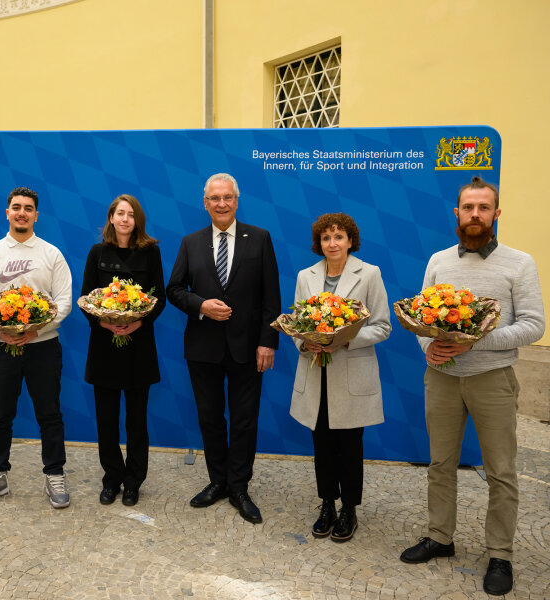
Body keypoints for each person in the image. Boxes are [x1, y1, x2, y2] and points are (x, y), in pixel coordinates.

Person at [400, 177, 545, 596]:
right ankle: (440, 538)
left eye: (484, 208)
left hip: (493, 380)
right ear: (457, 213)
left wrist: (474, 341)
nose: (475, 215)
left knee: (500, 471)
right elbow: (420, 317)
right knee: (440, 464)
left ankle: (500, 553)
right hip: (442, 380)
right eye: (468, 207)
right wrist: (429, 347)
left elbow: (534, 325)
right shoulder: (439, 261)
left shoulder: (520, 263)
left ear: (496, 214)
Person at [166, 173, 280, 524]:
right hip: (203, 348)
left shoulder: (259, 239)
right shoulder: (190, 242)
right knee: (210, 418)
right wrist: (201, 305)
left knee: (245, 421)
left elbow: (270, 296)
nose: (221, 203)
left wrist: (268, 341)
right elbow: (174, 289)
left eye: (227, 197)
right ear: (205, 203)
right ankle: (217, 482)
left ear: (236, 199)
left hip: (249, 348)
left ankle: (239, 487)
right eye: (214, 198)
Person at [0, 186, 72, 508]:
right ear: (8, 212)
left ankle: (54, 474)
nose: (22, 212)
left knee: (49, 414)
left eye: (28, 208)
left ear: (36, 215)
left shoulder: (51, 254)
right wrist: (0, 333)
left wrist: (37, 327)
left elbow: (64, 301)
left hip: (43, 347)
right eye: (17, 207)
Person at [290, 213, 391, 542]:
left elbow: (382, 326)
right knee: (322, 445)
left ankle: (349, 509)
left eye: (338, 237)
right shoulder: (306, 276)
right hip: (316, 373)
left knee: (349, 446)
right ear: (318, 243)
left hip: (351, 374)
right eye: (325, 238)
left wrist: (345, 339)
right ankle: (327, 505)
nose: (332, 243)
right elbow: (295, 321)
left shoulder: (369, 274)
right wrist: (304, 340)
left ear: (350, 241)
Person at [81, 194, 165, 507]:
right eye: (120, 213)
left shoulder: (151, 252)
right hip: (104, 347)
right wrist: (104, 324)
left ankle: (133, 482)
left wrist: (138, 324)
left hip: (139, 348)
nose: (125, 219)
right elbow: (86, 298)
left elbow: (159, 299)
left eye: (131, 214)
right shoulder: (97, 252)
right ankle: (112, 478)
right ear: (111, 218)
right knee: (106, 419)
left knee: (136, 420)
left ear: (137, 220)